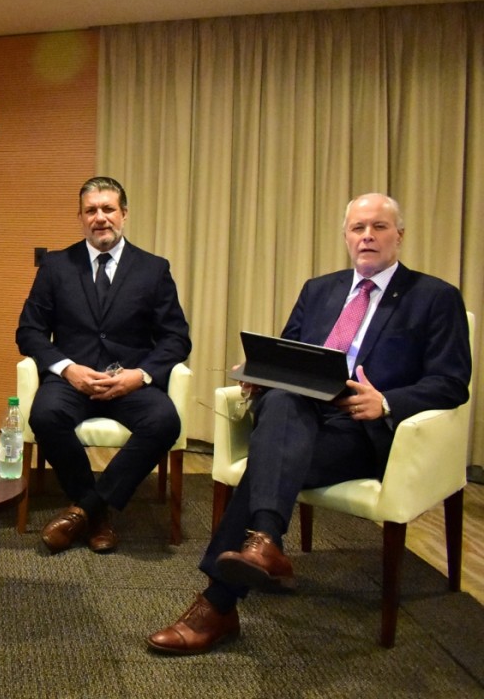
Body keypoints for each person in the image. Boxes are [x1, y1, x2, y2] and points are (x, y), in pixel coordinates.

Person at [147, 193, 472, 655]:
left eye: (379, 227)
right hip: (297, 415)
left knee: (267, 458)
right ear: (345, 236)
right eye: (358, 228)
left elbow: (452, 382)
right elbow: (288, 353)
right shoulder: (319, 289)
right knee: (279, 401)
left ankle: (220, 600)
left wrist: (387, 401)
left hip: (361, 430)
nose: (367, 237)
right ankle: (262, 547)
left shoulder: (435, 297)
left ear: (399, 235)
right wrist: (257, 372)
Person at [16, 176, 191, 555]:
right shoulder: (56, 266)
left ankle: (84, 510)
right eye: (91, 210)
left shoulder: (153, 269)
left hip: (128, 382)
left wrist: (139, 376)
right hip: (71, 381)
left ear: (124, 214)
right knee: (44, 416)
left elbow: (177, 338)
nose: (100, 218)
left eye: (108, 209)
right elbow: (28, 332)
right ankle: (96, 514)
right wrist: (66, 368)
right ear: (79, 217)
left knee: (164, 421)